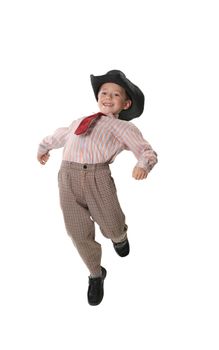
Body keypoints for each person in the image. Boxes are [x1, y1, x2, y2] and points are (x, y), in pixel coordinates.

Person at [37, 70, 158, 306]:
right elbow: (60, 136)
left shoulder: (123, 128)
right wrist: (44, 147)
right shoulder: (79, 122)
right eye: (104, 92)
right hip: (67, 177)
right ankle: (95, 273)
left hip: (97, 177)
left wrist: (143, 164)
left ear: (126, 103)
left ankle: (119, 236)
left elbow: (146, 150)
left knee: (111, 222)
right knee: (76, 230)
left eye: (115, 94)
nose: (108, 97)